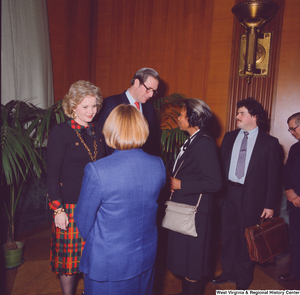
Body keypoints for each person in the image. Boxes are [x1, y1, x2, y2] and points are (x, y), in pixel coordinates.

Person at [74, 104, 166, 295]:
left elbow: (83, 221)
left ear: (110, 131)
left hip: (109, 264)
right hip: (145, 258)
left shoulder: (98, 170)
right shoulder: (158, 165)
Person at [212, 98, 281, 289]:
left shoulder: (270, 143)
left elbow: (274, 177)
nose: (237, 116)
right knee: (228, 236)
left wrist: (269, 205)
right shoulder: (229, 137)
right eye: (237, 113)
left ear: (255, 117)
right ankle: (227, 272)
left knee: (245, 241)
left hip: (253, 199)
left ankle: (242, 281)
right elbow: (220, 166)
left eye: (242, 113)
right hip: (228, 195)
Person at [47, 80, 106, 295]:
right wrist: (58, 209)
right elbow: (52, 173)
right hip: (70, 206)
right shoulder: (60, 132)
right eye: (85, 107)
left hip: (97, 204)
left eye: (94, 106)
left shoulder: (98, 129)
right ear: (72, 107)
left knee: (93, 255)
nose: (92, 112)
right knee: (69, 261)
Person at [166, 98, 222, 295]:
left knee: (194, 261)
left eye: (181, 115)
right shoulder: (194, 140)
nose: (179, 118)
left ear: (192, 118)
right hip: (186, 209)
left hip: (195, 213)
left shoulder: (203, 143)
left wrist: (183, 184)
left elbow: (215, 182)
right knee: (186, 259)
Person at [97, 67, 160, 156]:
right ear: (137, 82)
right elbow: (102, 138)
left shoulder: (149, 108)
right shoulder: (111, 103)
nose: (151, 95)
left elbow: (152, 143)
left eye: (154, 91)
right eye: (148, 89)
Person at [279, 112, 300, 282]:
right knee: (296, 238)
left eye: (294, 128)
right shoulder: (295, 148)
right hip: (295, 203)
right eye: (290, 130)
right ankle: (295, 271)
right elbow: (286, 173)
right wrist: (290, 192)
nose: (292, 132)